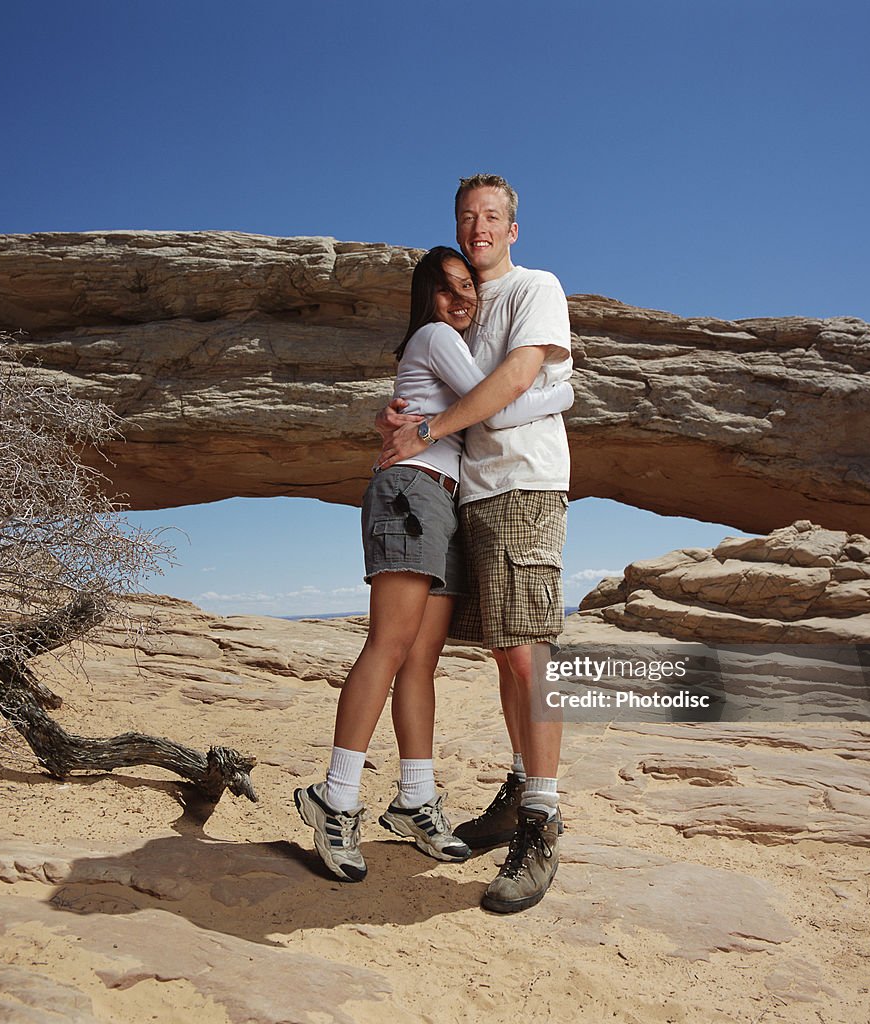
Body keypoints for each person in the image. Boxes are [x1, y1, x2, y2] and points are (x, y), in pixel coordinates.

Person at [294, 245, 573, 883]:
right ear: (427, 299)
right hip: (411, 492)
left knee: (422, 661)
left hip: (445, 501)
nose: (460, 298)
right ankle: (335, 799)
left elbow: (467, 418)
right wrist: (561, 394)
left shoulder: (450, 343)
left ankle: (415, 799)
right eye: (446, 289)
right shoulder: (435, 335)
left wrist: (416, 420)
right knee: (389, 645)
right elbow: (496, 403)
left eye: (466, 287)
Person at [376, 173, 573, 914]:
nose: (477, 226)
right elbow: (466, 394)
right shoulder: (461, 314)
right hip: (473, 491)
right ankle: (521, 786)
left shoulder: (533, 289)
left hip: (523, 484)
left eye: (491, 216)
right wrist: (400, 417)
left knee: (528, 652)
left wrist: (428, 427)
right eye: (466, 216)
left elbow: (514, 385)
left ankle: (542, 820)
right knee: (503, 652)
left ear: (512, 228)